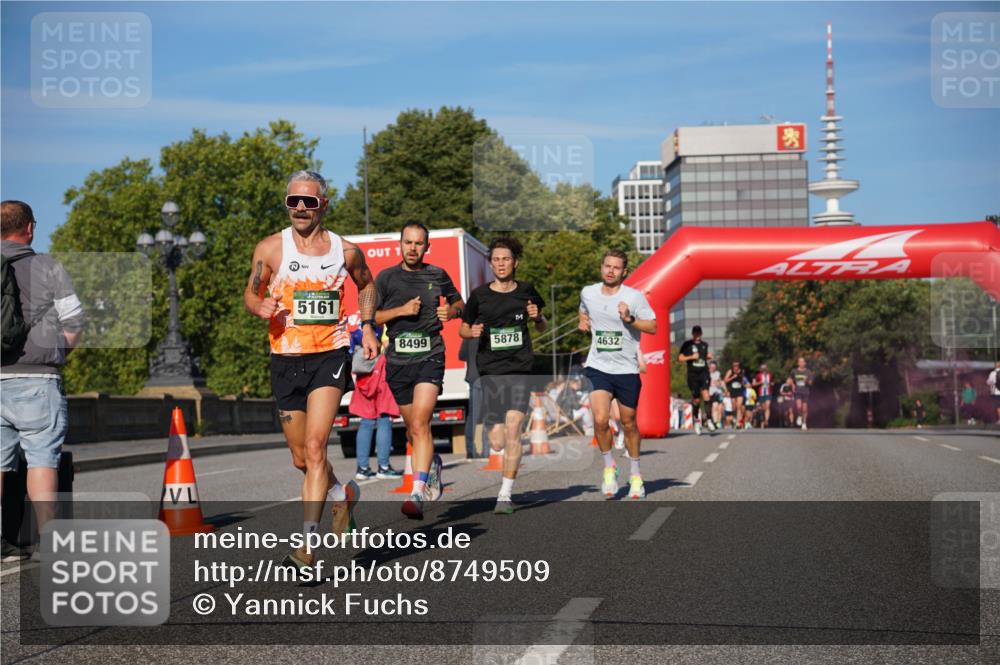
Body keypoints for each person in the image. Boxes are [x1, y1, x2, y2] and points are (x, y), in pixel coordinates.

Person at [244, 171, 370, 570]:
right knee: (301, 458)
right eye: (293, 201)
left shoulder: (345, 251)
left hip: (329, 357)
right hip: (285, 359)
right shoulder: (270, 249)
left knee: (317, 449)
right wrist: (257, 305)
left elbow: (366, 285)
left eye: (309, 202)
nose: (300, 208)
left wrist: (367, 327)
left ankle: (307, 548)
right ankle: (341, 496)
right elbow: (252, 290)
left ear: (323, 205)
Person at [1, 201, 85, 560]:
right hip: (37, 378)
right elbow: (75, 320)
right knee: (41, 461)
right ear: (30, 228)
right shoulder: (48, 266)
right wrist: (58, 350)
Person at [375, 222, 463, 519]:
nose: (412, 248)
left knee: (422, 422)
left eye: (418, 243)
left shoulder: (437, 274)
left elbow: (460, 303)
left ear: (427, 246)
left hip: (430, 355)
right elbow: (372, 316)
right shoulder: (386, 278)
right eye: (407, 243)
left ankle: (417, 492)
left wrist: (452, 311)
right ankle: (433, 464)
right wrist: (400, 311)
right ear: (399, 244)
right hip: (399, 361)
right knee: (414, 430)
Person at [460, 236, 546, 514]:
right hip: (490, 372)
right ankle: (494, 440)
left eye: (505, 259)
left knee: (513, 430)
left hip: (520, 369)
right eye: (496, 259)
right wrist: (471, 332)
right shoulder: (480, 295)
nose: (500, 264)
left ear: (515, 262)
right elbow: (462, 328)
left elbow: (542, 326)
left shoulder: (528, 291)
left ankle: (505, 494)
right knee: (496, 440)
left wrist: (537, 318)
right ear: (491, 263)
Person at [578, 249, 656, 500]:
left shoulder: (634, 297)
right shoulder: (588, 292)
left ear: (624, 272)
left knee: (629, 422)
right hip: (598, 366)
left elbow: (652, 326)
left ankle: (635, 474)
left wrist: (630, 318)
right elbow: (583, 310)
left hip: (626, 369)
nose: (610, 271)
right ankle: (609, 468)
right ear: (601, 267)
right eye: (607, 266)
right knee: (600, 420)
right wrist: (583, 321)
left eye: (616, 267)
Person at [348, 325, 401, 480]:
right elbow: (387, 343)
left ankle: (362, 468)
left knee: (366, 421)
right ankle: (383, 467)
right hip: (381, 369)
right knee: (384, 419)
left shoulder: (362, 322)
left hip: (364, 371)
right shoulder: (382, 317)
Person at [677, 325, 716, 435]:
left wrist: (708, 356)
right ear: (692, 334)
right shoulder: (687, 344)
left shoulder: (704, 345)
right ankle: (697, 421)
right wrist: (691, 357)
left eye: (699, 333)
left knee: (706, 395)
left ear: (701, 334)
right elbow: (680, 358)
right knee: (697, 400)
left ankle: (709, 420)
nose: (697, 335)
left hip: (704, 373)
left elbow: (705, 356)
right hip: (693, 375)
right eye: (695, 333)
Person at [790, 356, 814, 430]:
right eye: (800, 362)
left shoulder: (808, 372)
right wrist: (793, 385)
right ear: (798, 363)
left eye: (802, 362)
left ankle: (804, 423)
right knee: (799, 407)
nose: (801, 363)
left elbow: (810, 383)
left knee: (804, 409)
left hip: (805, 392)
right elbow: (791, 379)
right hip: (797, 391)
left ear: (805, 363)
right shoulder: (794, 371)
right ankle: (799, 416)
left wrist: (807, 381)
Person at [723, 360, 746, 430]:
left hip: (740, 390)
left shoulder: (742, 371)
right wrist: (733, 377)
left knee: (739, 406)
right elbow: (725, 380)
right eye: (734, 366)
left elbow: (743, 380)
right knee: (734, 407)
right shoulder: (730, 371)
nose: (735, 367)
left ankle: (739, 423)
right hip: (732, 391)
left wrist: (744, 383)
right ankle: (734, 419)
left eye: (737, 366)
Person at [753, 364, 773, 428]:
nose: (764, 369)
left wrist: (772, 384)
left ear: (767, 369)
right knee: (763, 408)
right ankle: (763, 419)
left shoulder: (770, 375)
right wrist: (760, 383)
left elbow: (772, 382)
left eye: (765, 368)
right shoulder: (758, 375)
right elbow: (753, 384)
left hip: (768, 393)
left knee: (768, 406)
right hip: (761, 394)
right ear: (761, 369)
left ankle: (766, 420)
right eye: (763, 368)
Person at [708, 360, 724, 428]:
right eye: (711, 367)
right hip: (712, 392)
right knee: (715, 406)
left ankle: (718, 422)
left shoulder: (718, 373)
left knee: (720, 408)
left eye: (714, 367)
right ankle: (715, 422)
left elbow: (720, 382)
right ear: (709, 367)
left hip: (719, 392)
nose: (713, 369)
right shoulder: (706, 373)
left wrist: (719, 383)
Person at [988, 360, 1000, 425]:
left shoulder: (993, 373)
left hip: (996, 392)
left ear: (995, 366)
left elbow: (989, 382)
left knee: (998, 406)